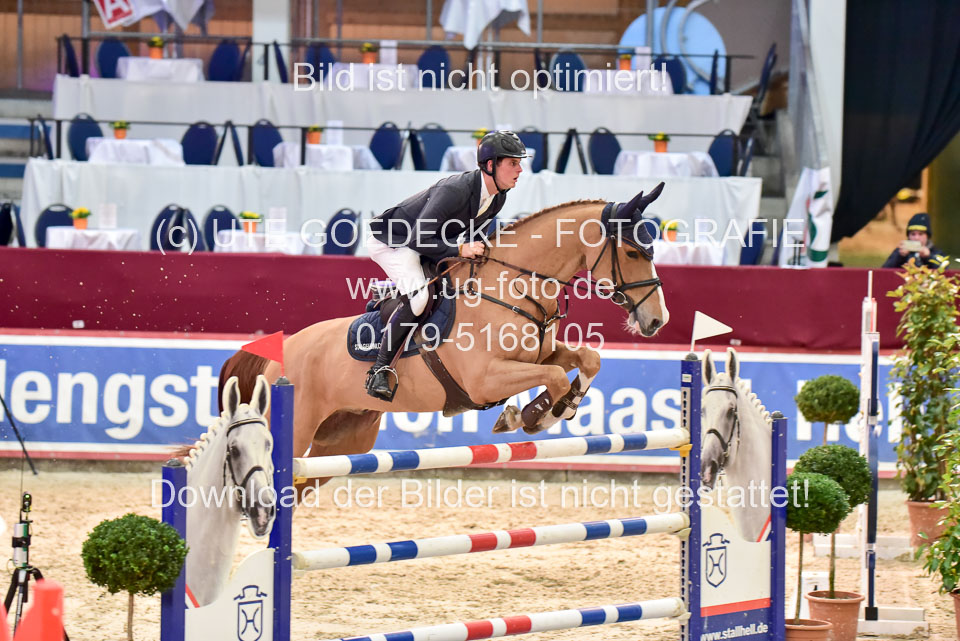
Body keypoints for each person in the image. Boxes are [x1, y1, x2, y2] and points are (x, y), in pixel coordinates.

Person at [364, 130, 528, 401]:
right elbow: (418, 239)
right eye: (513, 163)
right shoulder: (455, 191)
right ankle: (380, 370)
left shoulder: (498, 196)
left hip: (427, 241)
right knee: (420, 297)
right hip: (394, 241)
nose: (520, 169)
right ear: (490, 165)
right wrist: (461, 249)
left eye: (519, 163)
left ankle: (396, 294)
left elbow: (473, 236)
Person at [882, 213, 948, 269]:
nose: (916, 238)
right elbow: (884, 271)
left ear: (927, 236)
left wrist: (929, 257)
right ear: (908, 236)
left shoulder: (936, 252)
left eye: (920, 234)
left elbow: (944, 271)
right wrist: (900, 256)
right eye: (913, 234)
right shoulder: (900, 251)